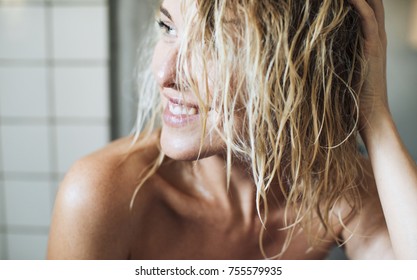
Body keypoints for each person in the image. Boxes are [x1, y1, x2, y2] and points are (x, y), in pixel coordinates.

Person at [47, 0, 417, 259]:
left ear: (290, 67)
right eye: (168, 27)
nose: (163, 74)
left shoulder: (336, 189)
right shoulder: (104, 195)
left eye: (211, 43)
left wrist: (373, 112)